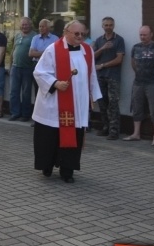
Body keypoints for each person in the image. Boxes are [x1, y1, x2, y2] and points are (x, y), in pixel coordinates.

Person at [32, 20, 102, 183]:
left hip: (77, 104)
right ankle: (47, 166)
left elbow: (91, 75)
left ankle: (67, 170)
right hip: (54, 104)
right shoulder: (52, 50)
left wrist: (93, 96)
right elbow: (39, 72)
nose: (80, 37)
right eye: (76, 34)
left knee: (73, 137)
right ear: (66, 33)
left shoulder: (87, 50)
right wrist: (55, 83)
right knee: (49, 138)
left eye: (83, 34)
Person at [124, 25, 154, 145]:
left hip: (153, 83)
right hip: (138, 83)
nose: (143, 37)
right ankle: (136, 133)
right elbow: (133, 63)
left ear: (151, 34)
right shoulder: (136, 47)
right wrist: (139, 74)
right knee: (137, 107)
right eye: (141, 35)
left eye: (145, 35)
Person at [92, 17, 125, 140]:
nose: (108, 27)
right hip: (100, 77)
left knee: (113, 104)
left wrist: (103, 65)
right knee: (102, 103)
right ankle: (105, 127)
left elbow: (119, 59)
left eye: (110, 25)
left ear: (114, 26)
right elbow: (92, 57)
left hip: (113, 77)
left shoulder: (119, 40)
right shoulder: (99, 40)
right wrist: (102, 48)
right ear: (102, 26)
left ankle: (114, 130)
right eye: (106, 25)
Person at [9, 17, 36, 122]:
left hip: (28, 68)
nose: (24, 26)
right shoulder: (17, 35)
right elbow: (13, 50)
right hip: (15, 67)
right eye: (22, 25)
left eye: (26, 24)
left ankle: (25, 114)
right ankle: (15, 113)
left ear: (30, 25)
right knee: (13, 92)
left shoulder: (34, 36)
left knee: (26, 93)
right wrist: (11, 65)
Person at [29, 19, 59, 98]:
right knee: (37, 89)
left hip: (49, 66)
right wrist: (46, 52)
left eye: (43, 26)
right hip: (37, 65)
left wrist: (38, 53)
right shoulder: (35, 38)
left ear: (48, 28)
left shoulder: (55, 39)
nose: (41, 28)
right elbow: (31, 53)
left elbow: (55, 54)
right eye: (40, 26)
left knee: (49, 88)